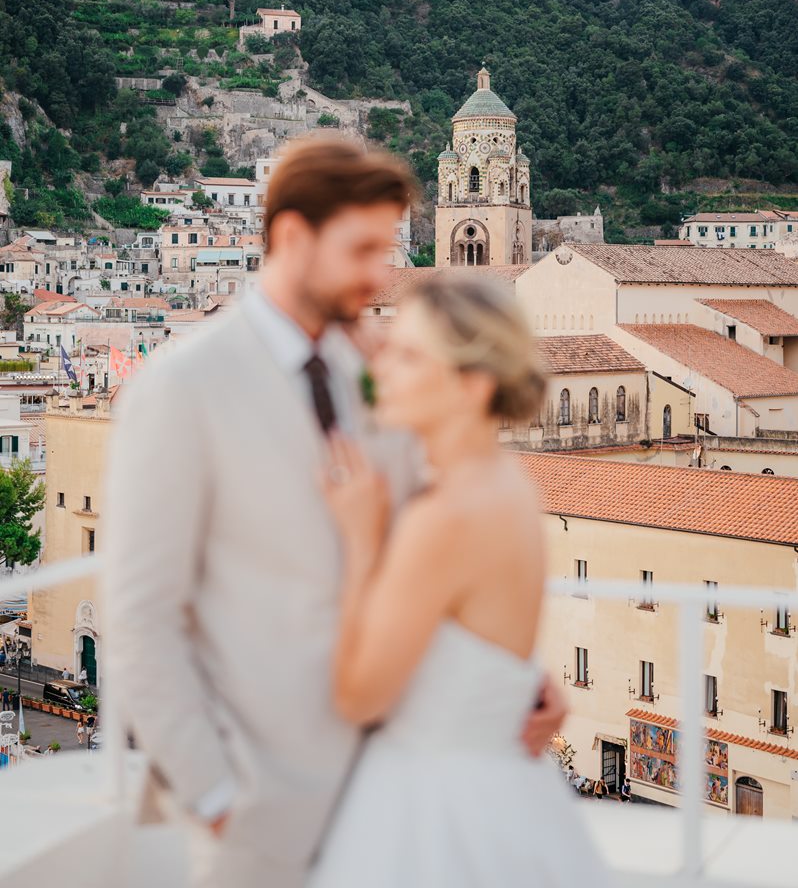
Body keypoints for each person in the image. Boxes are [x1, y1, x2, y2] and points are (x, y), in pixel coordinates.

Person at [103, 137, 568, 888]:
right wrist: (214, 793)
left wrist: (499, 674)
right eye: (362, 249)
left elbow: (423, 548)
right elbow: (138, 615)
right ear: (291, 236)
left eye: (387, 249)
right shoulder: (180, 389)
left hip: (393, 787)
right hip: (257, 807)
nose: (381, 274)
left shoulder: (382, 373)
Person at [310, 274, 608, 887]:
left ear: (471, 386)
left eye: (408, 355)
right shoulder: (506, 484)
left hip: (433, 813)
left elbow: (357, 697)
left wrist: (362, 542)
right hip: (506, 793)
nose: (382, 366)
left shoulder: (443, 518)